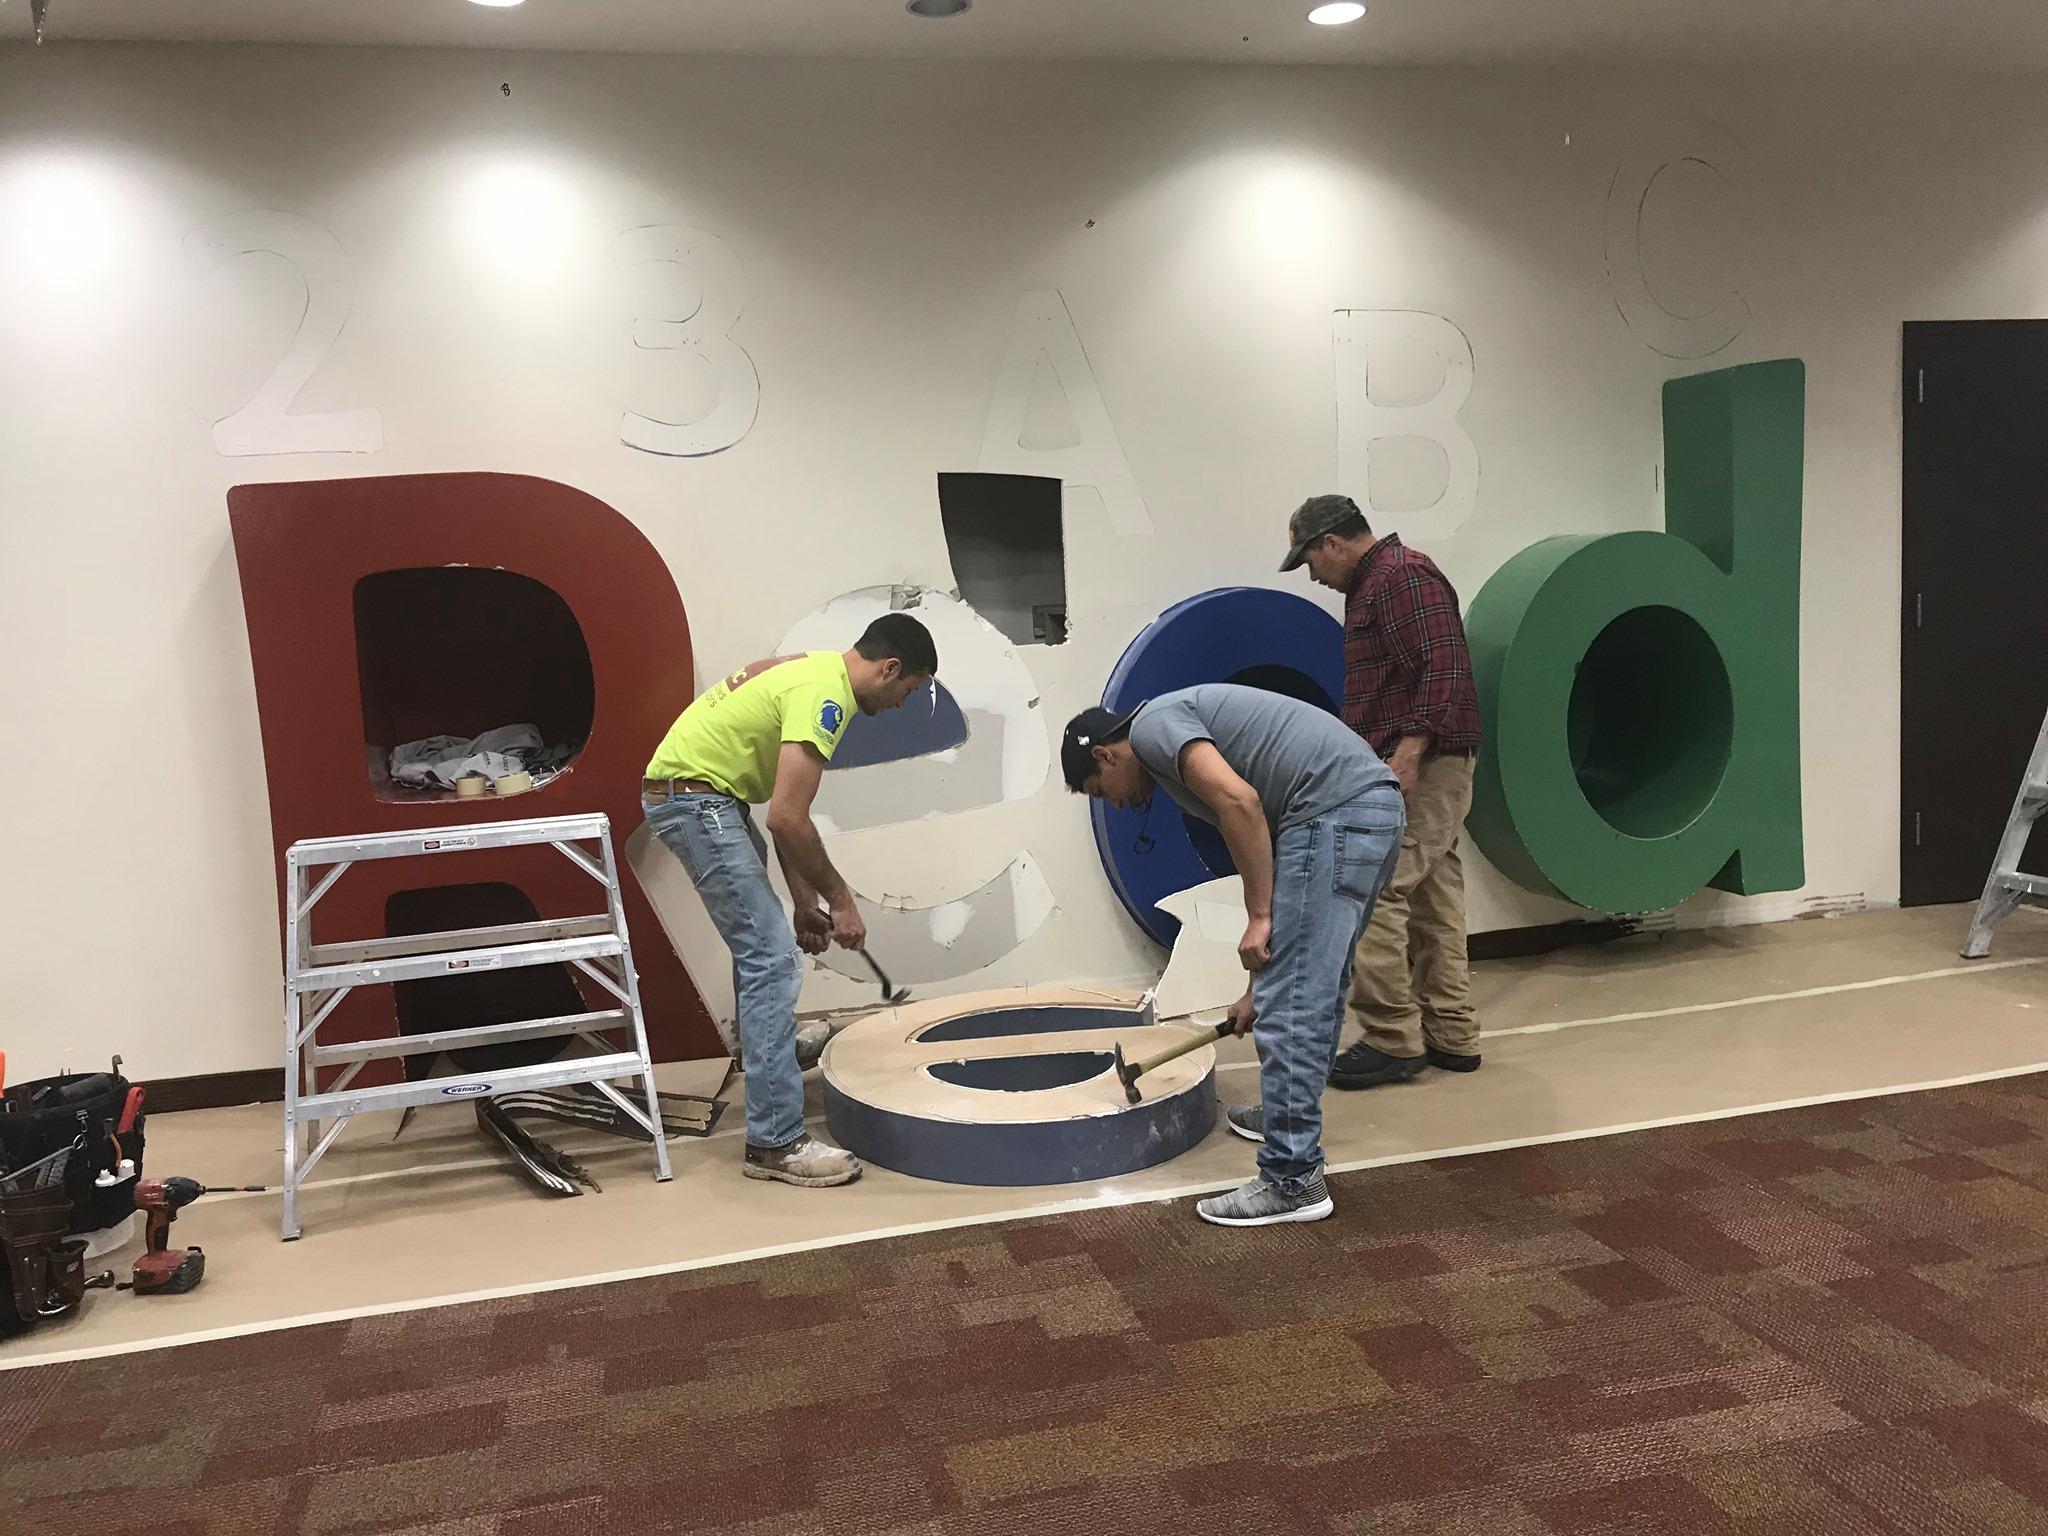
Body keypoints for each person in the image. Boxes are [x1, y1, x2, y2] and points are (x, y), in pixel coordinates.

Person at [1063, 684, 1403, 1226]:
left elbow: (1240, 803)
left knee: (1293, 1007)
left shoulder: (1152, 728)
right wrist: (1256, 988)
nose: (1116, 804)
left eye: (1100, 791)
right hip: (1371, 810)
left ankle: (1293, 1179)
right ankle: (1285, 1117)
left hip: (1332, 816)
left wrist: (1261, 917)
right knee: (1313, 987)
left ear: (1105, 755)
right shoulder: (1173, 732)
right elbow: (1255, 836)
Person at [644, 613, 938, 1187]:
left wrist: (806, 903)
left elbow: (784, 817)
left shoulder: (817, 673)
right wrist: (842, 901)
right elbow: (786, 817)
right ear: (890, 668)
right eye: (909, 690)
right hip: (697, 803)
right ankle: (774, 1141)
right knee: (771, 958)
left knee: (763, 948)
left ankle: (769, 1048)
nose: (902, 704)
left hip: (707, 798)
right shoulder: (826, 698)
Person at [1279, 494, 1486, 1090]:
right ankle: (1451, 1035)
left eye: (1310, 561)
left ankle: (1393, 1038)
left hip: (1423, 763)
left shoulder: (1401, 576)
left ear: (1332, 543)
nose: (1313, 576)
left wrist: (1410, 752)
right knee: (1434, 898)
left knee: (1371, 888)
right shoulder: (1379, 583)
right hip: (1423, 761)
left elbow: (1443, 666)